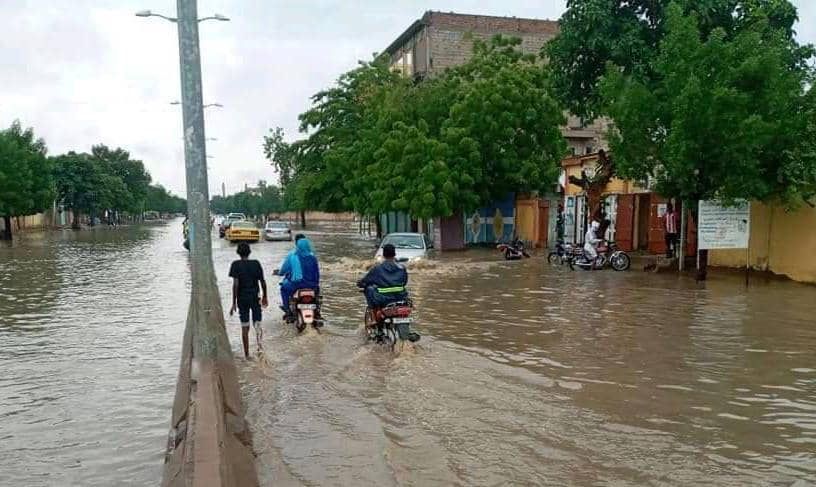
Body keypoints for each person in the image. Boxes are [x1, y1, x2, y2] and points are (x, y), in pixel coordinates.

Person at [228, 242, 268, 359]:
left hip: (242, 299)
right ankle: (260, 350)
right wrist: (265, 296)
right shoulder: (256, 264)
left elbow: (235, 284)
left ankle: (247, 355)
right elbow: (262, 281)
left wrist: (234, 303)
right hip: (255, 298)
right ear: (249, 252)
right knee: (257, 324)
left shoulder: (235, 265)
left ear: (238, 253)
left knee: (245, 326)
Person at [357, 244, 408, 308]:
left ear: (383, 254)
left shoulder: (377, 268)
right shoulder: (402, 268)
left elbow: (365, 281)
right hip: (401, 297)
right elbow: (405, 282)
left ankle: (373, 310)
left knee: (369, 288)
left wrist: (361, 283)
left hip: (383, 300)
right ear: (394, 254)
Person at [278, 236, 320, 316]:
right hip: (312, 286)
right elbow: (317, 273)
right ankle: (317, 310)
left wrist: (280, 273)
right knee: (317, 295)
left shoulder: (293, 256)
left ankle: (287, 310)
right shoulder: (313, 258)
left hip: (296, 285)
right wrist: (316, 284)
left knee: (283, 289)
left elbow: (284, 269)